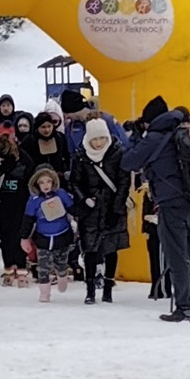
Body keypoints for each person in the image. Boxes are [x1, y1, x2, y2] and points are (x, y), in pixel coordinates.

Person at [121, 96, 190, 322]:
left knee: (176, 255)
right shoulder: (185, 131)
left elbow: (128, 162)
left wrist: (135, 137)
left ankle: (183, 306)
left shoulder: (154, 137)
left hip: (170, 202)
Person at [69, 118, 131, 304]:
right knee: (90, 249)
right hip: (91, 209)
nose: (99, 143)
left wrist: (116, 208)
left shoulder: (118, 152)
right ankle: (90, 290)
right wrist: (84, 198)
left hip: (113, 207)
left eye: (102, 138)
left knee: (111, 248)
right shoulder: (80, 155)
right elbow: (75, 181)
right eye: (95, 139)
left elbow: (123, 182)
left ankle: (108, 288)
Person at [21, 165, 75, 303]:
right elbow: (28, 221)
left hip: (62, 235)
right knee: (43, 266)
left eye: (48, 181)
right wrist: (24, 238)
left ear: (53, 182)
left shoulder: (61, 194)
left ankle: (62, 275)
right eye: (41, 182)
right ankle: (44, 293)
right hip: (43, 237)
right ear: (36, 184)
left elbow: (73, 209)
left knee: (61, 263)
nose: (45, 185)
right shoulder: (33, 201)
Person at [0, 132, 34, 287]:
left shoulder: (24, 162)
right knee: (6, 238)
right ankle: (9, 267)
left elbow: (30, 183)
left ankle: (21, 268)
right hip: (2, 206)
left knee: (19, 237)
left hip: (20, 206)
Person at [20, 113, 70, 179]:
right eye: (43, 127)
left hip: (58, 179)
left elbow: (67, 157)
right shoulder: (29, 141)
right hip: (36, 180)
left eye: (49, 126)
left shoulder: (60, 138)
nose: (47, 130)